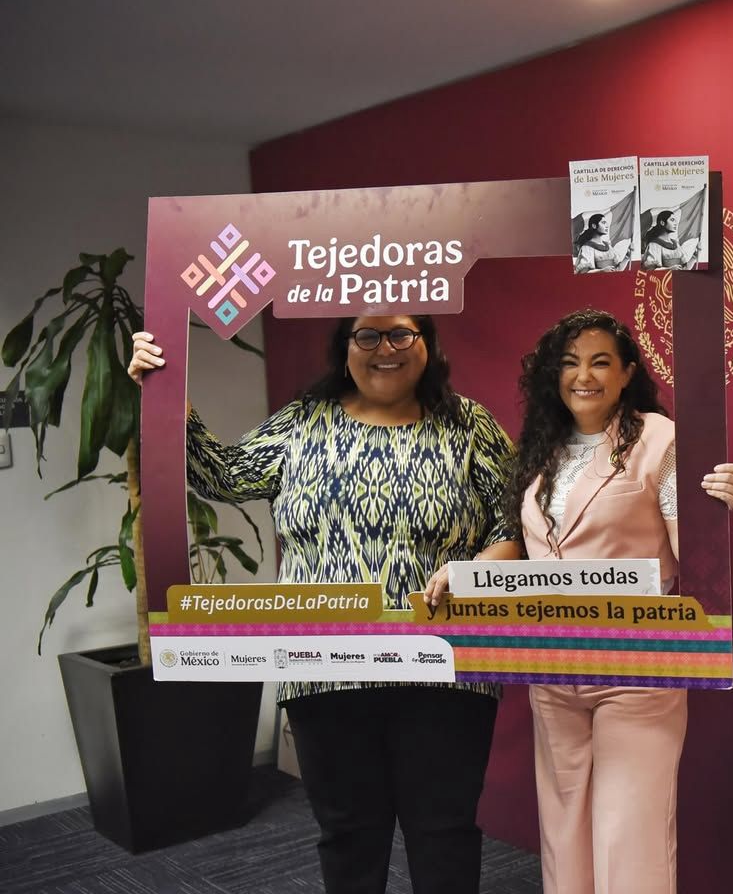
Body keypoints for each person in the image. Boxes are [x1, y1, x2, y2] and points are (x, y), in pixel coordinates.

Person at [129, 315, 517, 894]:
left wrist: (479, 569)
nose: (384, 348)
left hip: (446, 665)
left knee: (444, 833)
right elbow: (223, 476)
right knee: (348, 836)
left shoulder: (469, 425)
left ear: (428, 344)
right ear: (344, 347)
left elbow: (512, 521)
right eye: (367, 335)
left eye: (401, 334)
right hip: (324, 669)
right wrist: (163, 393)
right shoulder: (302, 423)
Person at [428, 308, 733, 894]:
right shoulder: (540, 449)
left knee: (629, 836)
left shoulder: (661, 439)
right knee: (563, 832)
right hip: (552, 666)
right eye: (570, 363)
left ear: (627, 373)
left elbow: (694, 555)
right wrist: (466, 575)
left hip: (636, 668)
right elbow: (525, 552)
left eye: (601, 362)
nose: (584, 376)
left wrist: (717, 506)